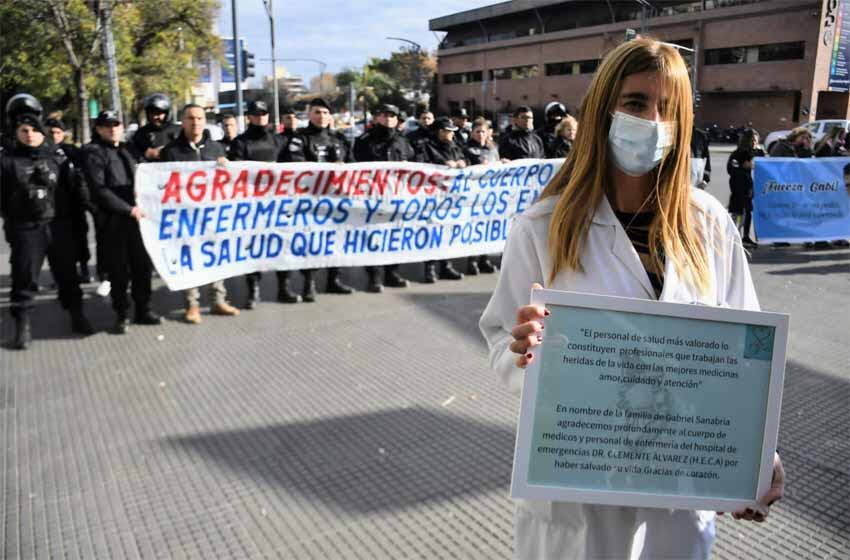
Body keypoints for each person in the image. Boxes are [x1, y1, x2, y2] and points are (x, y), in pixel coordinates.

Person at [479, 38, 785, 559]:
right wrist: (523, 351)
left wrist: (755, 452)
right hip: (580, 483)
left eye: (669, 107)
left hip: (680, 482)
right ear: (603, 110)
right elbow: (498, 340)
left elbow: (746, 351)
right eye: (637, 103)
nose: (653, 121)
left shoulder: (708, 223)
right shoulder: (543, 227)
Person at [1, 111, 94, 348]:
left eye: (34, 130)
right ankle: (23, 326)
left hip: (59, 225)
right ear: (17, 133)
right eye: (24, 131)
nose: (30, 135)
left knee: (67, 275)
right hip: (27, 228)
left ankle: (77, 314)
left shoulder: (58, 157)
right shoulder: (8, 160)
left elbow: (76, 191)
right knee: (24, 277)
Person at [160, 104, 241, 324]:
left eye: (199, 118)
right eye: (190, 118)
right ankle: (192, 305)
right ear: (183, 121)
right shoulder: (171, 151)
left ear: (205, 121)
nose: (195, 122)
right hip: (185, 217)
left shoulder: (216, 149)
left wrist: (227, 167)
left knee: (216, 257)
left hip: (213, 215)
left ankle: (218, 300)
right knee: (190, 260)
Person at [83, 110, 162, 333]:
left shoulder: (129, 149)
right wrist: (128, 210)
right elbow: (99, 190)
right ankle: (121, 314)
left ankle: (143, 309)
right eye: (107, 125)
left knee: (142, 268)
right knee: (119, 271)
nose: (112, 129)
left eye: (116, 124)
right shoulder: (93, 152)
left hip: (139, 220)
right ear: (98, 129)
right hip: (115, 221)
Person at [279, 97, 356, 300]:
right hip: (311, 202)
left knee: (336, 240)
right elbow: (296, 166)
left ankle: (334, 280)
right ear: (309, 115)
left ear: (330, 116)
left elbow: (354, 167)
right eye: (317, 112)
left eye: (324, 112)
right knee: (311, 242)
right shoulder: (300, 139)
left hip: (337, 201)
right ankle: (309, 283)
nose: (321, 116)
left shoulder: (339, 139)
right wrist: (328, 168)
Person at [227, 99, 295, 307]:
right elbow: (236, 173)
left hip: (278, 203)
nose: (260, 118)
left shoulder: (278, 140)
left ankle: (284, 287)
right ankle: (253, 289)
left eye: (263, 114)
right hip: (252, 205)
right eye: (256, 114)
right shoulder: (239, 142)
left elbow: (292, 167)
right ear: (249, 117)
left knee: (282, 244)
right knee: (253, 247)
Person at [354, 103, 416, 292]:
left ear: (397, 119)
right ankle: (374, 275)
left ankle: (392, 272)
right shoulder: (364, 140)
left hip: (396, 197)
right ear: (377, 117)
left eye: (392, 115)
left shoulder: (403, 141)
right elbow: (357, 166)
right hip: (373, 197)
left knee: (393, 236)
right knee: (373, 236)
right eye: (384, 115)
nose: (388, 118)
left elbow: (414, 164)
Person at [44, 117, 96, 284]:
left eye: (58, 132)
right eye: (50, 132)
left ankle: (85, 270)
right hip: (52, 207)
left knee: (80, 238)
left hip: (74, 204)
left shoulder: (72, 151)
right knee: (56, 245)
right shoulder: (42, 152)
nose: (54, 135)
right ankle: (60, 275)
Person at [416, 116, 467, 283]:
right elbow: (421, 166)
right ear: (439, 132)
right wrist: (443, 163)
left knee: (448, 231)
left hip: (451, 198)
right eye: (448, 131)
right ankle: (430, 268)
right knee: (433, 233)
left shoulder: (455, 146)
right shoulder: (425, 146)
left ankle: (446, 265)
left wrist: (462, 162)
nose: (451, 135)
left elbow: (466, 160)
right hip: (433, 197)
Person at [463, 118, 500, 276]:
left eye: (483, 131)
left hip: (490, 196)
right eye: (477, 131)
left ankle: (484, 259)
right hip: (474, 196)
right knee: (474, 228)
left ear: (488, 133)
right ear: (472, 133)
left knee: (487, 227)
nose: (480, 134)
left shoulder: (493, 149)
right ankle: (472, 260)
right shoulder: (467, 149)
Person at [727, 129, 764, 247]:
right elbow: (731, 169)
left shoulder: (759, 153)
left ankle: (746, 237)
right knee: (737, 211)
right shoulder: (737, 154)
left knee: (748, 212)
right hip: (739, 187)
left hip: (751, 188)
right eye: (752, 140)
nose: (754, 142)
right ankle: (734, 235)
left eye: (756, 140)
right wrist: (744, 166)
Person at [131, 93, 181, 162]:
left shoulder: (180, 131)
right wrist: (145, 154)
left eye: (158, 113)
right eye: (151, 113)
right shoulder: (141, 134)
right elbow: (131, 155)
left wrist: (169, 152)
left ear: (167, 113)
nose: (154, 117)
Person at [690, 124, 712, 189]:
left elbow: (706, 158)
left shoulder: (701, 136)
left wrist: (705, 179)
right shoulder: (675, 134)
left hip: (696, 185)